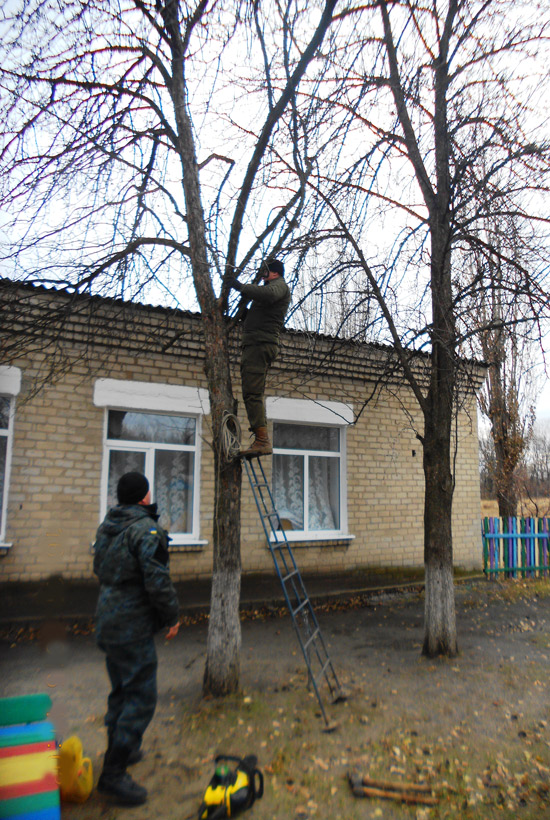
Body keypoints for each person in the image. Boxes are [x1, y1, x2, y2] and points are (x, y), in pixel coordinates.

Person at [93, 471, 180, 806]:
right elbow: (157, 580)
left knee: (121, 690)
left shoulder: (108, 525)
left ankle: (122, 750)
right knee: (141, 696)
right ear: (144, 497)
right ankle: (113, 773)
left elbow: (99, 568)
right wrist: (171, 616)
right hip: (131, 626)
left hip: (107, 619)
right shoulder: (146, 530)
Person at [230, 257, 291, 457]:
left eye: (266, 272)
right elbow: (264, 312)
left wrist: (241, 287)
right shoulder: (272, 288)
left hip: (260, 344)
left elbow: (269, 295)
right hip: (257, 343)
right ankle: (260, 438)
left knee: (253, 393)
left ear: (275, 273)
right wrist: (246, 316)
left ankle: (262, 440)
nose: (263, 275)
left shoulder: (279, 286)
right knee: (252, 392)